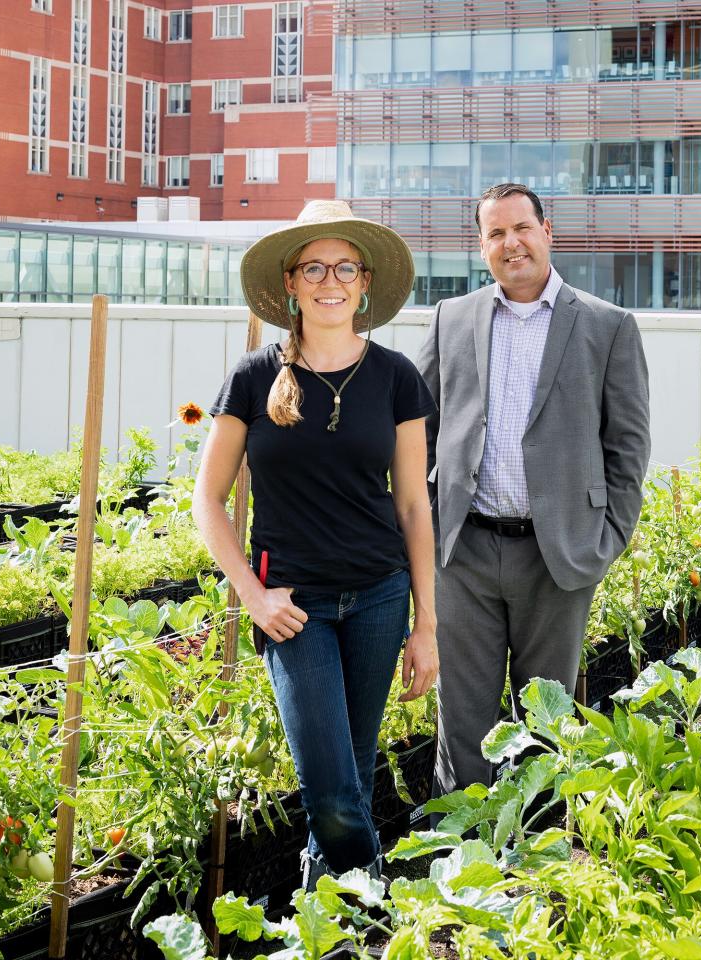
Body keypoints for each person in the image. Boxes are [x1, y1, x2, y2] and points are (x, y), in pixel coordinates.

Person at [192, 199, 439, 889]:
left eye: (345, 268)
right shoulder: (252, 377)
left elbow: (415, 506)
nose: (331, 281)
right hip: (293, 607)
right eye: (315, 268)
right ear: (292, 282)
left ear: (364, 284)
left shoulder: (396, 378)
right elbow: (205, 501)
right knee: (330, 786)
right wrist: (253, 596)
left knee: (351, 774)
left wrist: (427, 625)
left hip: (380, 600)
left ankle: (326, 911)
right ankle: (379, 902)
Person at [415, 182, 650, 797]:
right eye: (495, 233)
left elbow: (628, 448)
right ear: (482, 245)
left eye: (521, 228)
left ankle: (536, 860)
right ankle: (459, 857)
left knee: (546, 723)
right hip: (463, 554)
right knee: (462, 717)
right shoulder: (451, 319)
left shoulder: (608, 327)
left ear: (547, 232)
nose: (510, 242)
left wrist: (606, 541)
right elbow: (416, 433)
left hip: (559, 557)